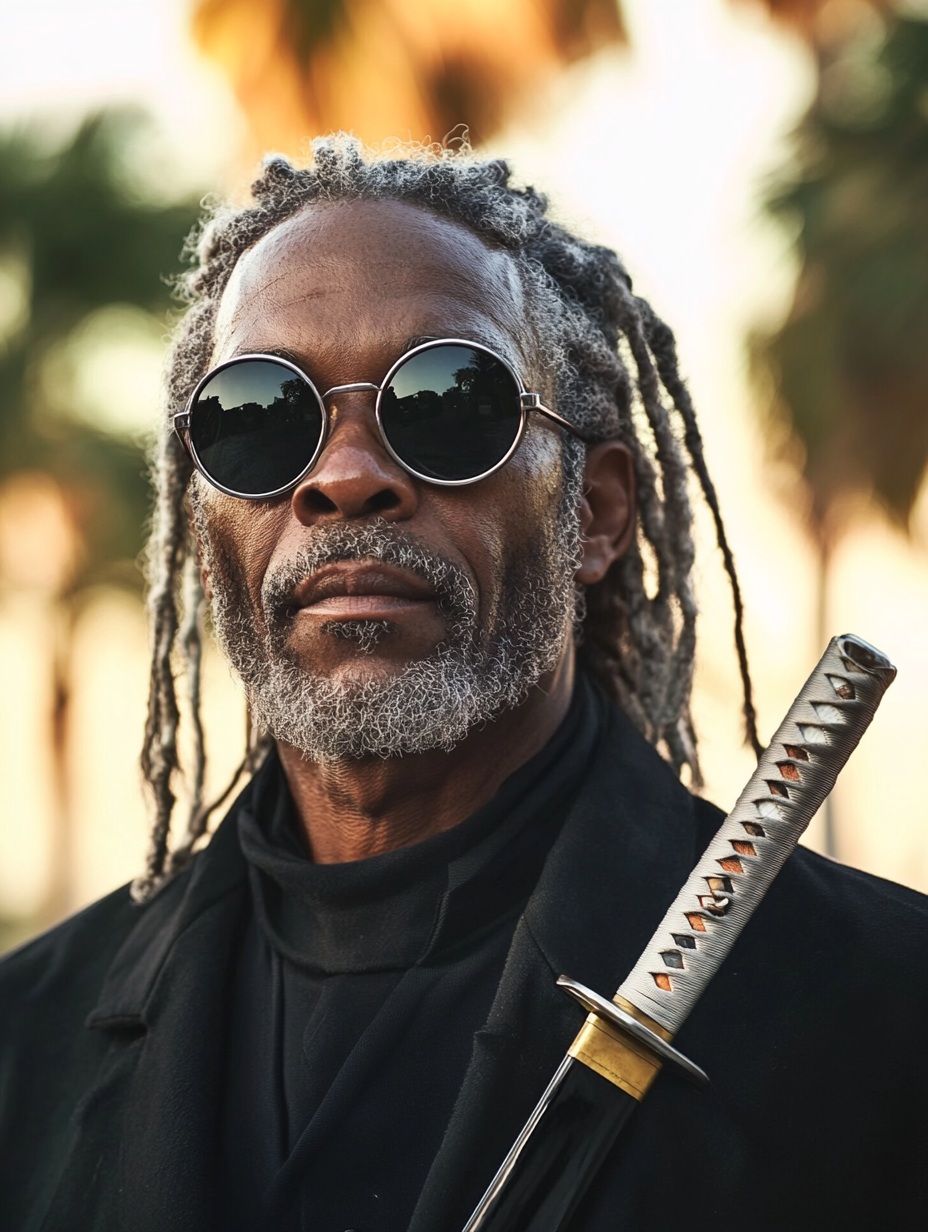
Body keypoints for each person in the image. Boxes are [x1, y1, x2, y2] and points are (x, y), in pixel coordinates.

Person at [1, 138, 927, 1232]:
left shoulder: (885, 1015)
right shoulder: (28, 1034)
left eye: (446, 401)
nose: (343, 477)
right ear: (205, 522)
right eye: (258, 415)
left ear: (595, 512)